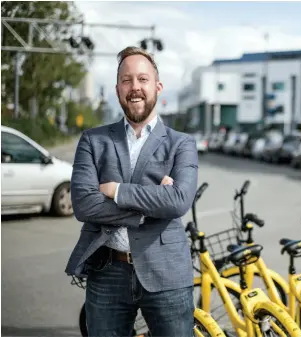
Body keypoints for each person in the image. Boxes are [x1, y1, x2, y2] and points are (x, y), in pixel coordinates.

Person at [65, 46, 198, 337]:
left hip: (168, 273)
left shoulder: (182, 143)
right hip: (108, 271)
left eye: (142, 79)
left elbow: (178, 201)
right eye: (126, 80)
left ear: (158, 87)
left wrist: (116, 190)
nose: (134, 87)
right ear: (117, 89)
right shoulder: (93, 140)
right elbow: (84, 205)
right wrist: (152, 202)